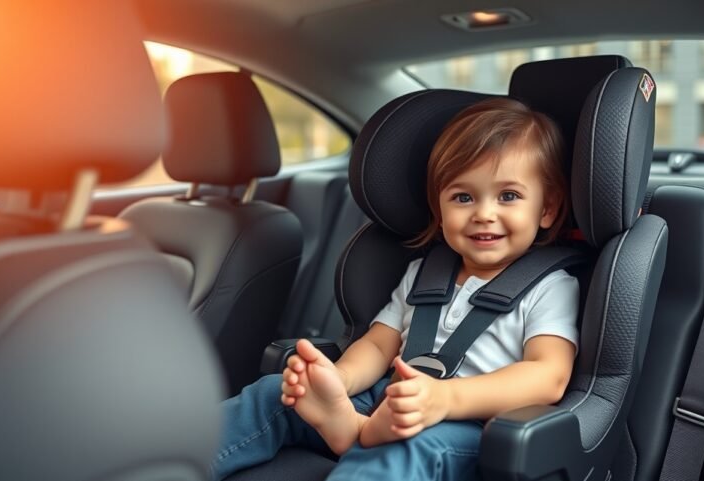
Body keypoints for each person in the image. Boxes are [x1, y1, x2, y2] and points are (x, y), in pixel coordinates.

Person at [212, 97, 579, 481]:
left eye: (508, 196)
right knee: (272, 394)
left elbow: (548, 375)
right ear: (439, 211)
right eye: (463, 197)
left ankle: (358, 436)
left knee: (407, 445)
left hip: (467, 426)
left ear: (547, 209)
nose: (484, 213)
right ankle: (179, 463)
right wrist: (339, 381)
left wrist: (445, 399)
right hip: (389, 399)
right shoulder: (424, 274)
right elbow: (378, 345)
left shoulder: (550, 287)